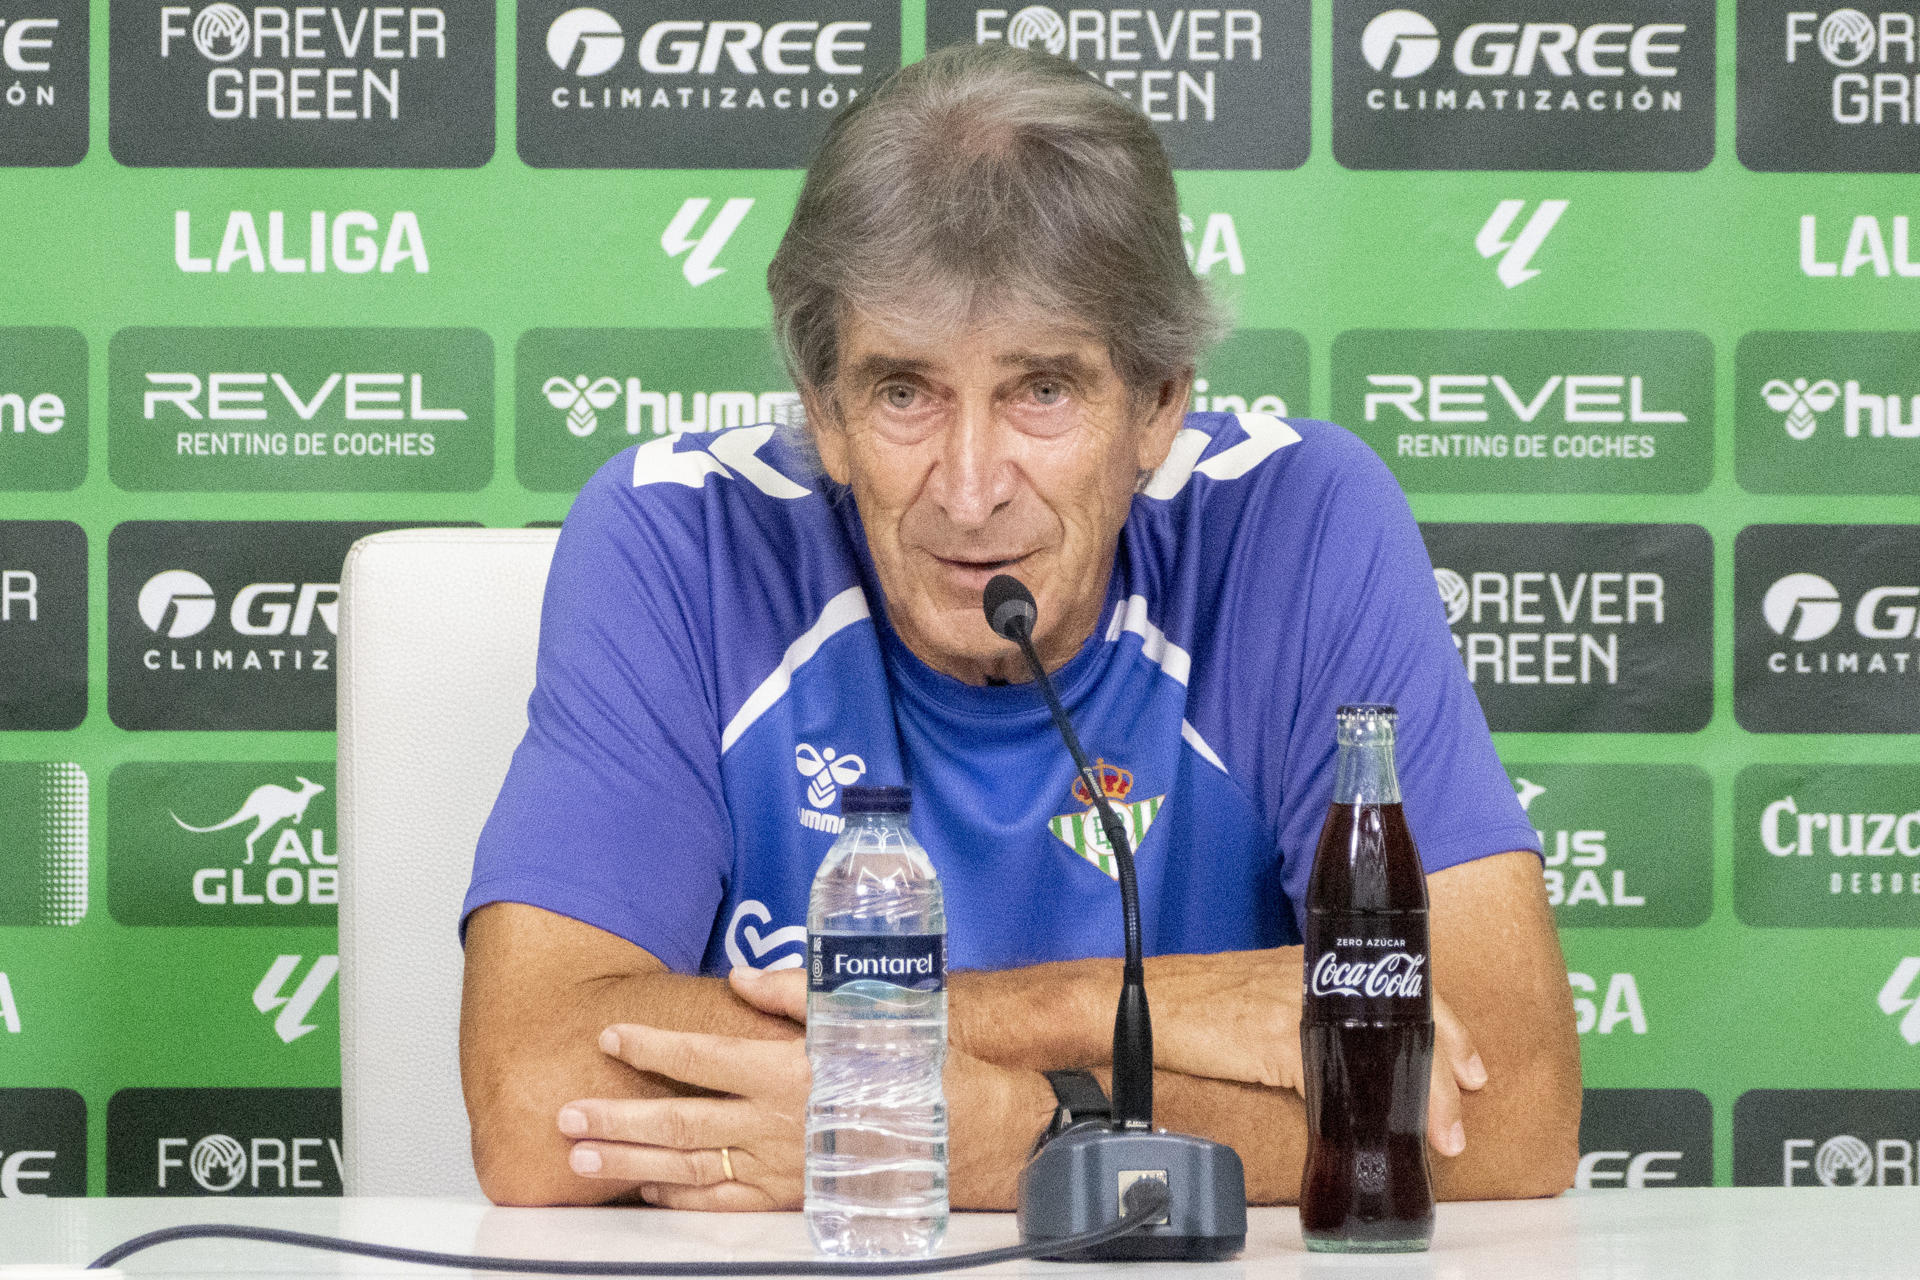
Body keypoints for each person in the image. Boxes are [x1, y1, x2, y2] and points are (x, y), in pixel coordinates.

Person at [459, 43, 1579, 1211]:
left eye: (1042, 390)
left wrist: (1033, 1134)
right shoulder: (677, 537)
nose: (969, 488)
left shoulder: (1304, 522)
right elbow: (536, 1097)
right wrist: (1125, 1013)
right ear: (824, 408)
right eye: (904, 391)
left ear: (1159, 402)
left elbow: (1509, 1106)